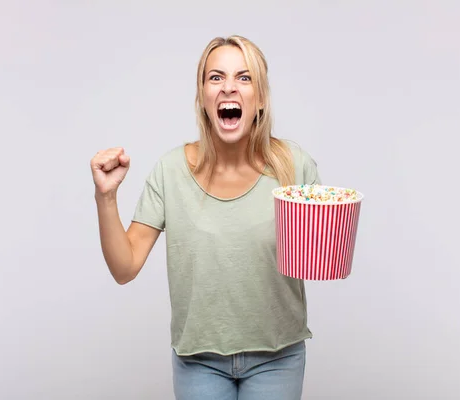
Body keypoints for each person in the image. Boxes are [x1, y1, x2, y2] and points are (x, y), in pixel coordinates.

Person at [90, 35, 321, 400]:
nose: (229, 87)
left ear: (260, 98)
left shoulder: (294, 165)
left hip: (278, 357)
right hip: (198, 362)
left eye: (244, 78)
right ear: (202, 96)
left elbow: (315, 256)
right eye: (216, 77)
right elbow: (124, 268)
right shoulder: (169, 171)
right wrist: (106, 196)